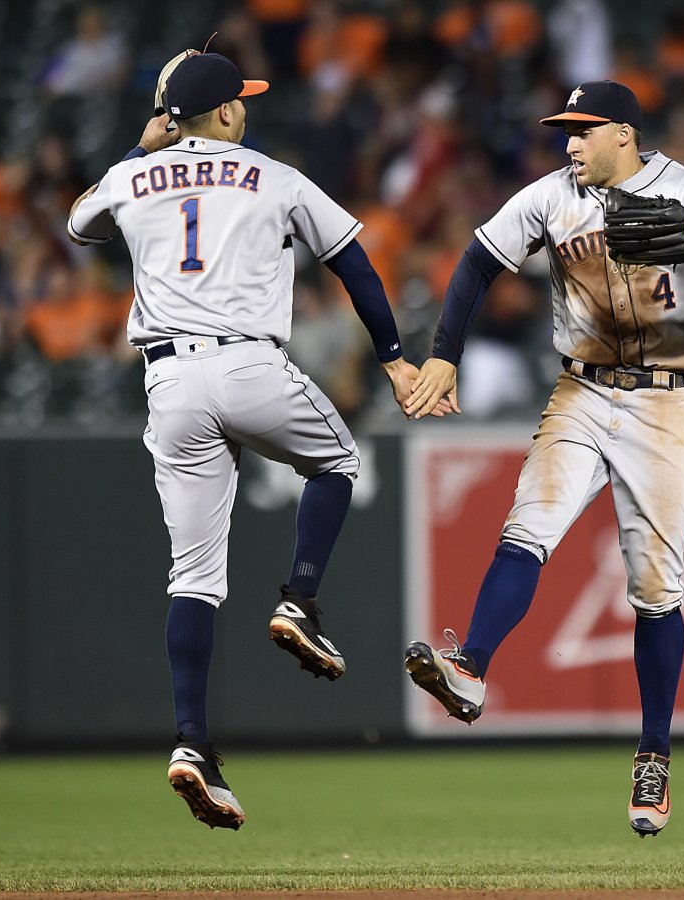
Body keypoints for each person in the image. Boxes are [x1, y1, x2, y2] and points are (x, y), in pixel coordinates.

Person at [67, 50, 447, 831]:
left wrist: (144, 151)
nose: (247, 106)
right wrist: (395, 362)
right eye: (240, 99)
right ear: (230, 113)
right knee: (337, 461)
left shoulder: (133, 175)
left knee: (194, 576)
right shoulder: (271, 175)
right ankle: (299, 601)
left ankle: (191, 744)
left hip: (168, 381)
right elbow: (356, 267)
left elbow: (75, 227)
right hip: (247, 364)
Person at [402, 81, 684, 838]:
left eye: (582, 131)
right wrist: (444, 357)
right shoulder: (549, 197)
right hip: (582, 388)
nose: (568, 144)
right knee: (527, 524)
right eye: (565, 131)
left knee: (654, 589)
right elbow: (474, 263)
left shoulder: (683, 187)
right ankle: (470, 669)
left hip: (666, 401)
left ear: (622, 134)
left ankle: (653, 753)